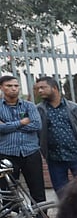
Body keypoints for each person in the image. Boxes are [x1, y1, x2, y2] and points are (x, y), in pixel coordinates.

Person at [34, 76, 77, 193]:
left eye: (43, 87)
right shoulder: (38, 110)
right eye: (38, 88)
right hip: (54, 158)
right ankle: (68, 211)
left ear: (54, 88)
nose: (39, 91)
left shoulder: (75, 109)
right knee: (61, 191)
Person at [0, 74, 46, 205]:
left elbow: (37, 125)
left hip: (30, 152)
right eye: (9, 86)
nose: (14, 89)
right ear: (1, 88)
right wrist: (22, 122)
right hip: (6, 154)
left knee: (37, 187)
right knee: (9, 190)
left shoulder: (29, 106)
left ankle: (41, 217)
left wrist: (8, 125)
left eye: (16, 85)